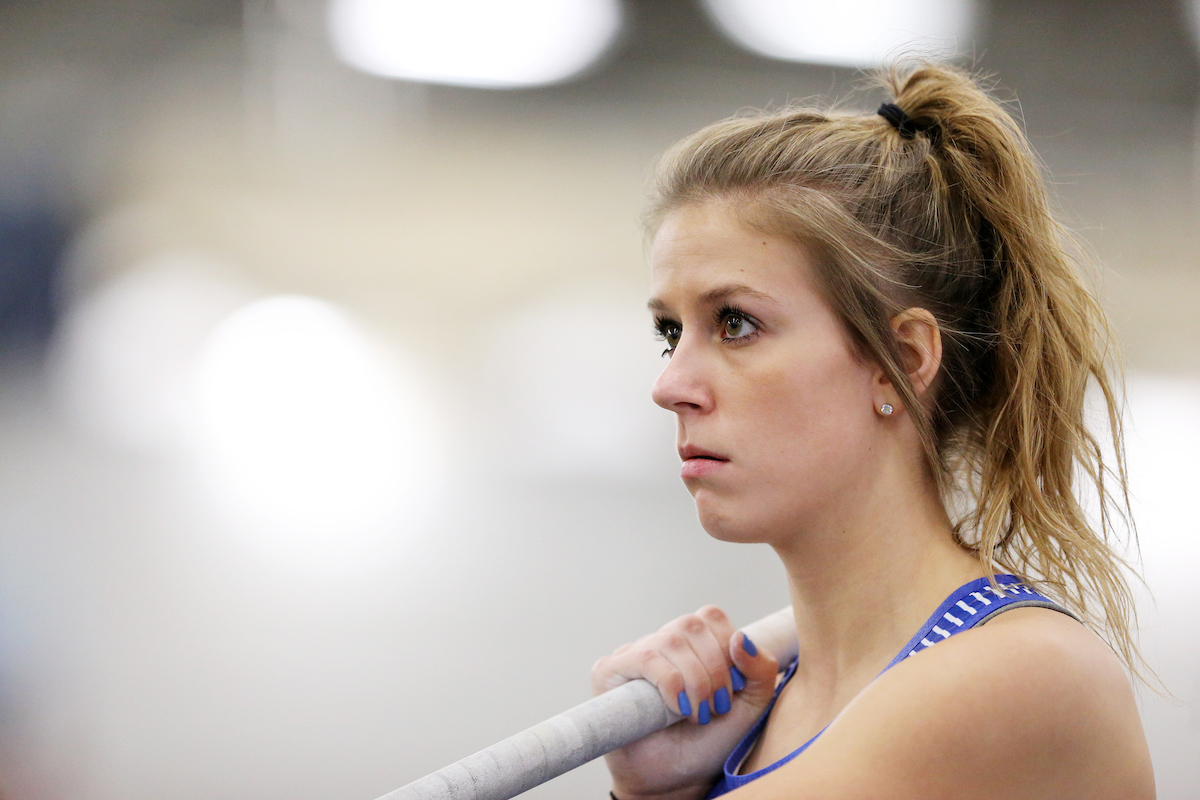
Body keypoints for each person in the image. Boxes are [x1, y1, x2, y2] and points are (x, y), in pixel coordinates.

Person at [590, 62, 1155, 800]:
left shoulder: (1022, 676)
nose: (670, 386)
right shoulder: (769, 691)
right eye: (672, 332)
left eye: (736, 324)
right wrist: (662, 789)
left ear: (901, 362)